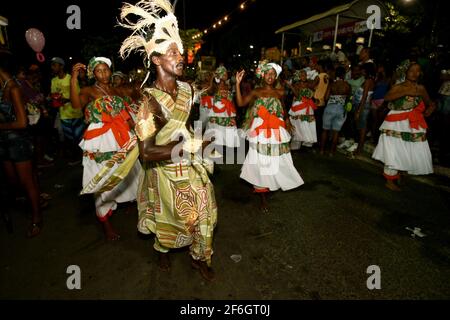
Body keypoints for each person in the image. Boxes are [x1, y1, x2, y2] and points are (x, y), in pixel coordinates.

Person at [119, 0, 217, 281]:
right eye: (173, 52)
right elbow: (147, 153)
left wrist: (199, 143)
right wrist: (187, 147)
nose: (181, 56)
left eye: (182, 52)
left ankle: (200, 257)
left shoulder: (186, 88)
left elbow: (184, 124)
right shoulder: (148, 103)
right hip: (164, 171)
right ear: (156, 59)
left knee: (205, 211)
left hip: (191, 166)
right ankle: (162, 251)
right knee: (171, 219)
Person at [70, 56, 141, 240]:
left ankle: (130, 200)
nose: (103, 73)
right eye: (99, 71)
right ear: (93, 73)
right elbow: (76, 105)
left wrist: (136, 126)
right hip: (100, 138)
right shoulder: (89, 90)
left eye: (106, 69)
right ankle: (106, 225)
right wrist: (73, 79)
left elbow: (128, 107)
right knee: (102, 176)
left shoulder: (117, 90)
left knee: (129, 169)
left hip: (121, 133)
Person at [235, 61, 304, 213]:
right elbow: (240, 103)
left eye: (273, 74)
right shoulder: (256, 91)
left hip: (276, 130)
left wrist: (287, 121)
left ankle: (275, 181)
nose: (270, 76)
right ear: (263, 75)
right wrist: (237, 84)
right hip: (259, 131)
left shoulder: (280, 92)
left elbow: (283, 109)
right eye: (268, 73)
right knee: (260, 161)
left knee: (276, 159)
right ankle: (263, 198)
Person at [372, 63, 435, 191]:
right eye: (411, 71)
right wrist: (406, 91)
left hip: (412, 122)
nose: (414, 73)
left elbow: (430, 103)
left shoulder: (421, 88)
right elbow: (387, 97)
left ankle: (399, 174)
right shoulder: (398, 87)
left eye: (418, 71)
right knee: (394, 148)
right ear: (406, 72)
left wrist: (430, 109)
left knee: (407, 148)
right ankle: (390, 179)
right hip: (395, 122)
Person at [0, 50, 42, 238]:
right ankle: (36, 200)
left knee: (26, 182)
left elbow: (22, 123)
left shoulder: (14, 90)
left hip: (19, 142)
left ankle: (36, 218)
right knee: (13, 181)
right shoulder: (2, 89)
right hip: (3, 141)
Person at [50, 57, 85, 165]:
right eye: (52, 65)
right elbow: (54, 94)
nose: (52, 67)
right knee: (70, 138)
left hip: (75, 113)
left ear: (61, 66)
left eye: (54, 65)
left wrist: (67, 99)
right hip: (64, 114)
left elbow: (79, 96)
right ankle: (76, 157)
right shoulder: (53, 80)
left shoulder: (71, 78)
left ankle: (83, 158)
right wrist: (55, 99)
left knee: (79, 137)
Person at [204, 65, 240, 157]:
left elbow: (231, 100)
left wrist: (235, 113)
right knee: (217, 133)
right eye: (224, 73)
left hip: (228, 113)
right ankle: (214, 153)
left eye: (226, 73)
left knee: (228, 133)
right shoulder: (214, 87)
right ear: (220, 75)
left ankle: (224, 153)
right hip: (217, 113)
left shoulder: (228, 86)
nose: (226, 74)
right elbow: (206, 97)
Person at [320, 66, 351, 156]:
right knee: (336, 132)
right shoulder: (347, 85)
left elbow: (325, 97)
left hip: (330, 108)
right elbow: (349, 99)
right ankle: (331, 152)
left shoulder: (332, 85)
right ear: (344, 74)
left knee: (325, 130)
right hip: (341, 109)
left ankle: (322, 150)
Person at [287, 69, 317, 150]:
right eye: (302, 75)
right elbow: (296, 95)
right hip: (299, 105)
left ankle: (306, 141)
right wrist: (291, 87)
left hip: (308, 106)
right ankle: (296, 144)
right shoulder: (297, 84)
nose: (303, 76)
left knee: (306, 123)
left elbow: (313, 90)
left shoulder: (309, 83)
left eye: (305, 75)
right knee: (298, 124)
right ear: (299, 76)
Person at [353, 62, 376, 156]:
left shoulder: (368, 81)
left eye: (362, 69)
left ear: (366, 70)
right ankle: (359, 149)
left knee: (362, 128)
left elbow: (364, 96)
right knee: (361, 128)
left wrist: (359, 111)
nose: (361, 71)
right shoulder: (370, 80)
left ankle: (359, 150)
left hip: (363, 106)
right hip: (364, 106)